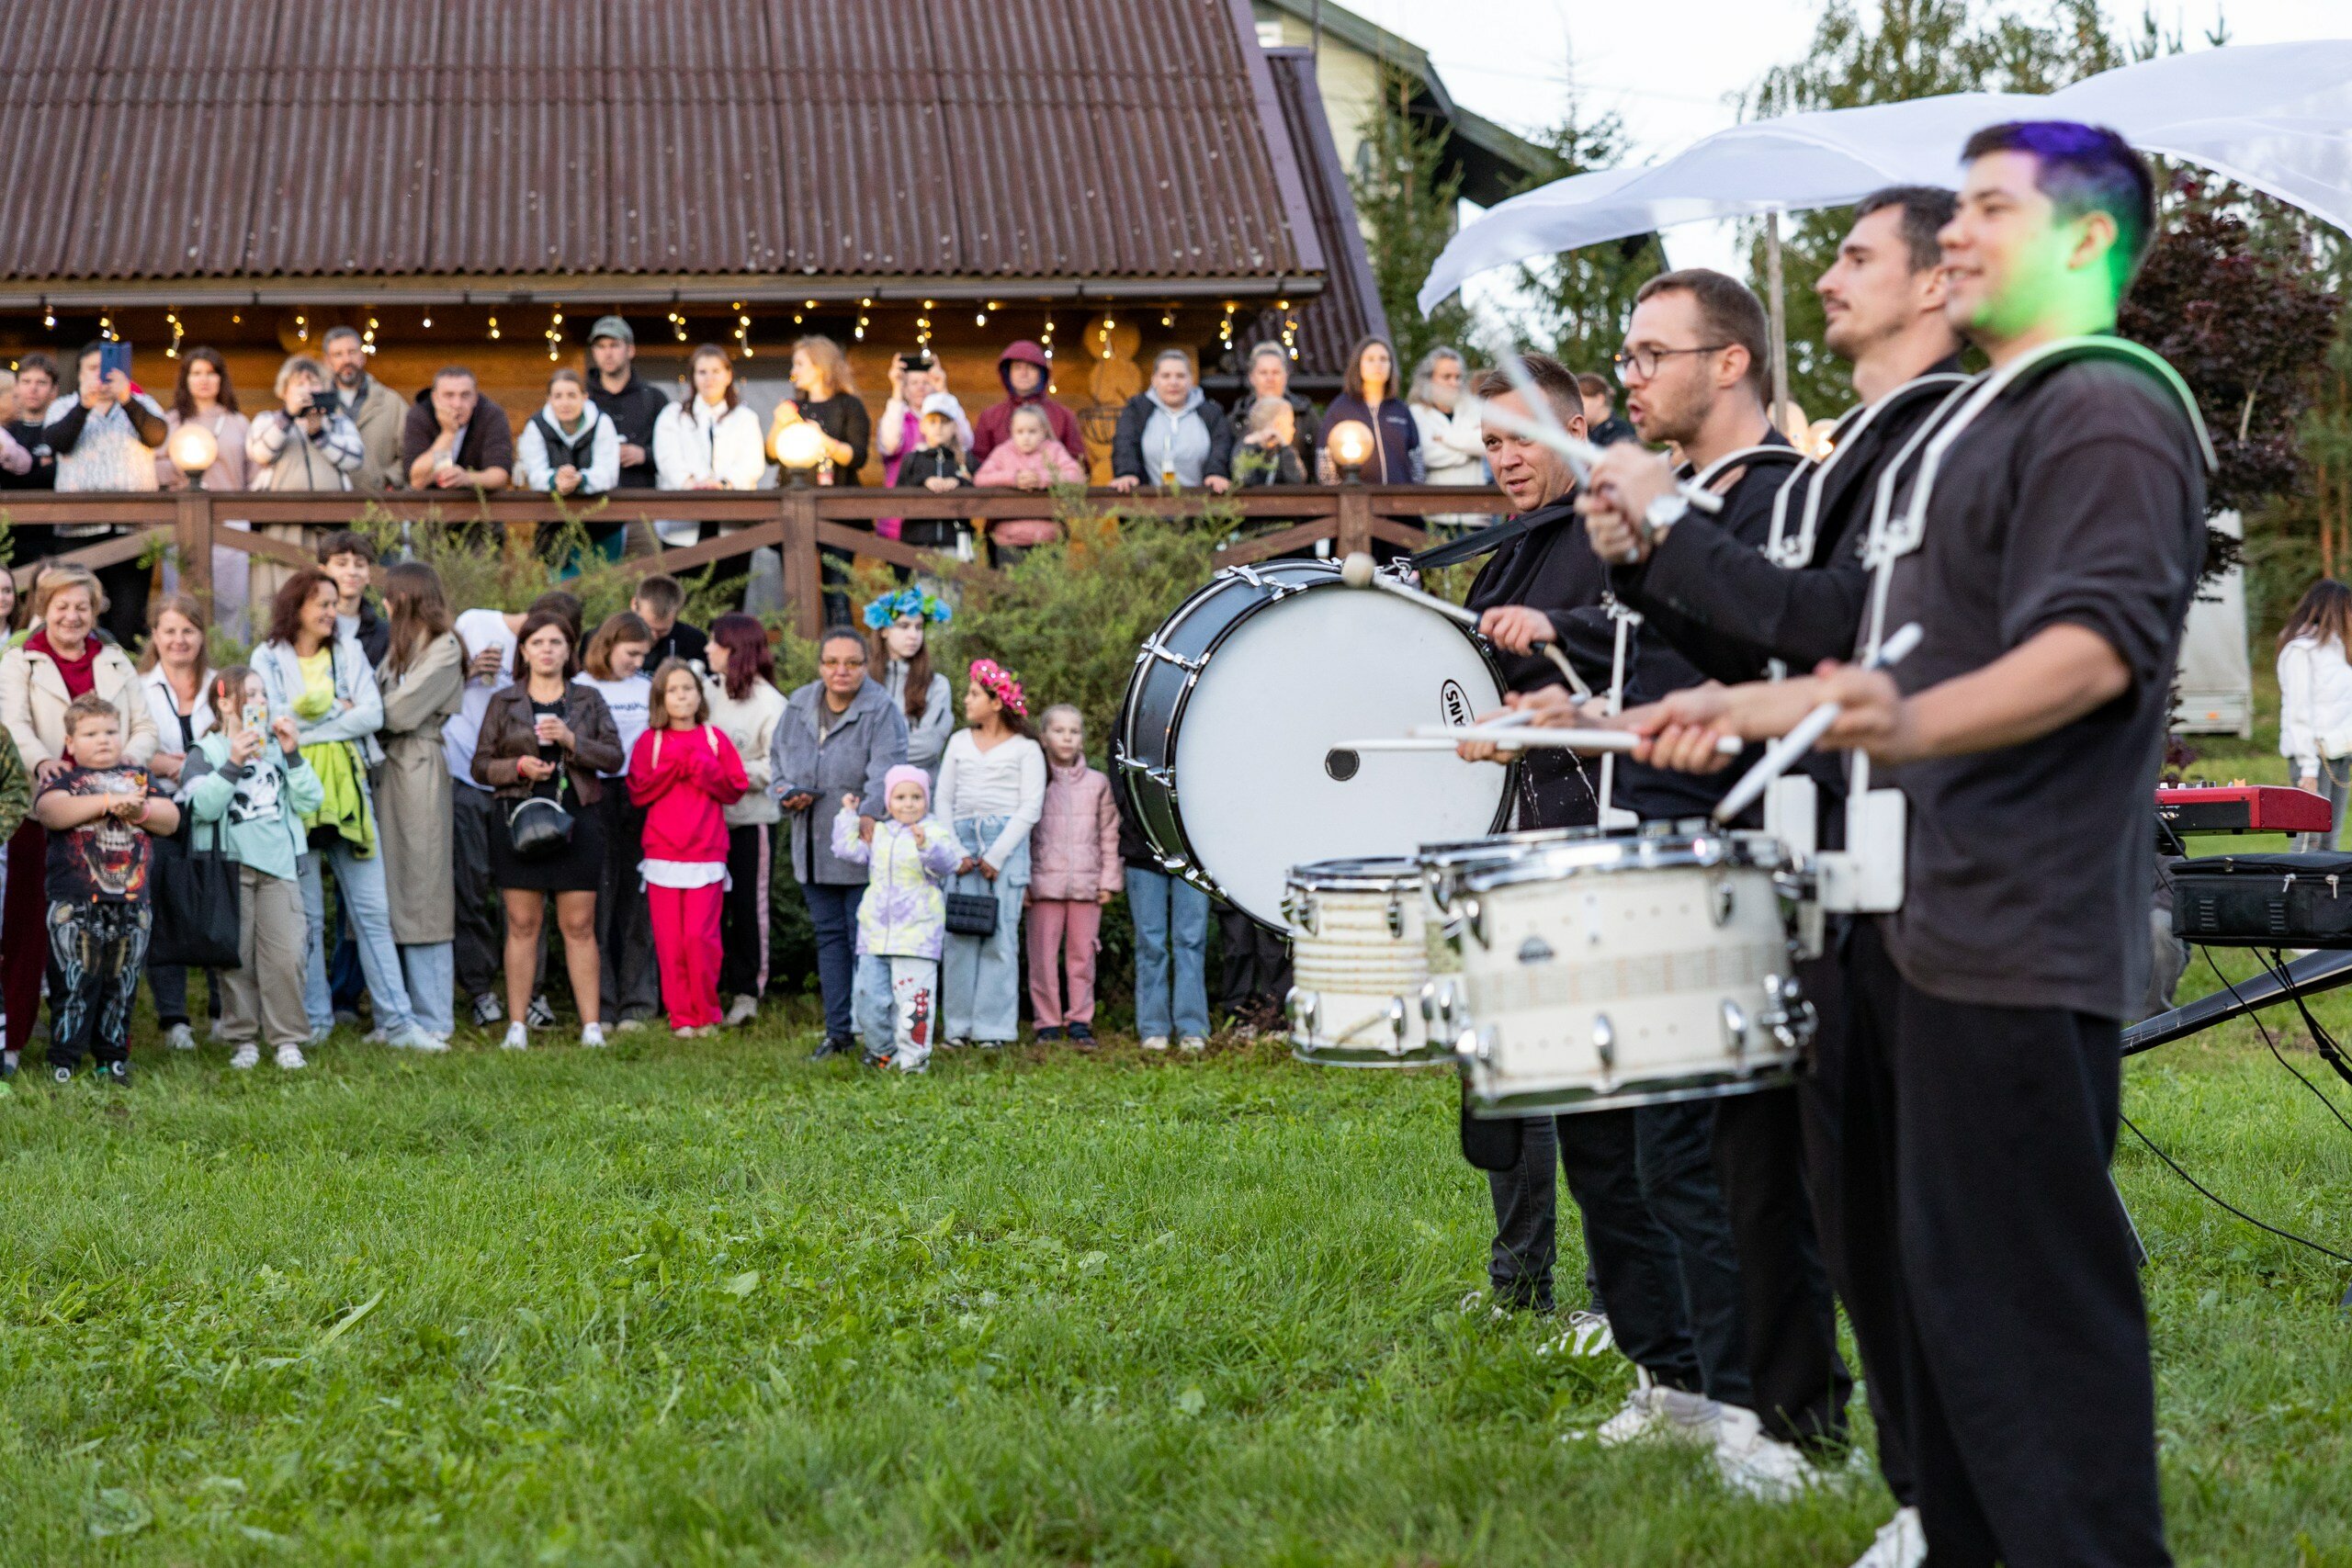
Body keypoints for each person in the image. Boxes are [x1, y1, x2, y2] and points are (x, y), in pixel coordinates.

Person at [1611, 122, 2199, 1567]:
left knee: (2031, 1320)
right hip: (1937, 924)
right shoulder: (1994, 419)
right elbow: (1885, 645)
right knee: (1949, 1297)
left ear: (2085, 244)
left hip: (2019, 925)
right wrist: (1732, 700)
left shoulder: (2105, 407)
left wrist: (1902, 715)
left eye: (1991, 209)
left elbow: (2093, 651)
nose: (1956, 239)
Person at [1542, 188, 1971, 1541]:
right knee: (1716, 1149)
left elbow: (1813, 647)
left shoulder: (1798, 480)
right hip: (1747, 850)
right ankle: (1762, 1401)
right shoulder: (1782, 481)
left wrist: (1666, 556)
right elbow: (1756, 657)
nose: (1630, 378)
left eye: (1653, 353)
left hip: (1834, 861)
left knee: (1783, 1163)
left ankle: (1795, 1413)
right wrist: (1615, 655)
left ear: (1729, 361)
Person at [1430, 357, 1705, 1446]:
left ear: (1577, 426)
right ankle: (1518, 1285)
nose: (1502, 461)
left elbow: (1640, 669)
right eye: (1487, 444)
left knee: (1596, 1080)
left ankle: (1605, 1303)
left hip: (1594, 830)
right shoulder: (1505, 545)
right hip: (1513, 828)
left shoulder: (1600, 533)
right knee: (1506, 1071)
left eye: (1518, 439)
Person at [255, 570, 435, 1051]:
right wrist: (338, 714)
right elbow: (271, 726)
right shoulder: (266, 658)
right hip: (295, 800)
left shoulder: (349, 651)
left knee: (373, 913)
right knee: (308, 917)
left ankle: (398, 1023)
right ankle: (315, 1020)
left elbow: (372, 715)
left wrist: (308, 726)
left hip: (351, 798)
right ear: (297, 606)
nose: (333, 613)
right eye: (323, 603)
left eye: (335, 604)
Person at [0, 566, 158, 1070]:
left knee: (112, 932)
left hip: (112, 819)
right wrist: (41, 761)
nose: (73, 615)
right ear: (43, 608)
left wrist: (125, 766)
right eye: (62, 605)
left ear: (96, 610)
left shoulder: (114, 660)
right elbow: (11, 724)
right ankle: (15, 1040)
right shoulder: (20, 661)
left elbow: (144, 724)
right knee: (28, 929)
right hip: (42, 807)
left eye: (83, 606)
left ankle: (107, 1045)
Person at [472, 611, 623, 1050]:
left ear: (568, 650)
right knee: (521, 923)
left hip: (579, 817)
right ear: (523, 651)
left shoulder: (588, 700)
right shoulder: (503, 702)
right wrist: (517, 767)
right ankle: (517, 1026)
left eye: (556, 643)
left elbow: (614, 758)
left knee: (579, 925)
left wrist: (573, 741)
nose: (547, 650)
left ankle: (591, 1028)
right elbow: (480, 765)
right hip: (518, 815)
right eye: (537, 643)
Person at [773, 628, 908, 1055]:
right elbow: (777, 763)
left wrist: (869, 812)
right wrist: (786, 792)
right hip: (812, 845)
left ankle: (876, 1037)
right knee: (830, 938)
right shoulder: (798, 705)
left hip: (864, 850)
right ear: (820, 666)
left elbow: (888, 771)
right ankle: (838, 1033)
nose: (841, 671)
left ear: (866, 666)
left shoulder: (881, 709)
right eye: (832, 662)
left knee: (865, 943)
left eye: (852, 663)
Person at [32, 694, 179, 1085]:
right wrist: (111, 801)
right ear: (70, 742)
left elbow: (171, 820)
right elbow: (51, 811)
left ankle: (111, 1059)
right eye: (91, 733)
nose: (104, 740)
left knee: (122, 983)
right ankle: (64, 1058)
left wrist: (143, 811)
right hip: (74, 903)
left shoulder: (141, 781)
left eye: (112, 731)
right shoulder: (64, 780)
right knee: (74, 980)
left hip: (133, 904)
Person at [183, 666, 322, 1070]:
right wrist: (232, 763)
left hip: (279, 868)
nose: (262, 702)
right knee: (236, 957)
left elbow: (311, 800)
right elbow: (201, 809)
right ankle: (243, 1038)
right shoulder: (203, 752)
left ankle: (288, 1039)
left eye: (264, 695)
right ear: (225, 702)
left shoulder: (278, 749)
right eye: (253, 694)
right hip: (230, 869)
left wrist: (293, 753)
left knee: (287, 955)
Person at [373, 563, 466, 1047]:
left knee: (423, 887)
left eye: (390, 598)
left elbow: (398, 710)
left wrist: (359, 713)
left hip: (418, 768)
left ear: (406, 598)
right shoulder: (401, 648)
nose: (384, 607)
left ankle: (434, 1017)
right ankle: (396, 1015)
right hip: (389, 768)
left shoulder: (444, 647)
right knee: (388, 890)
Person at [629, 660, 748, 1035]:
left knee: (701, 938)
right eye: (673, 690)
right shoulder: (651, 741)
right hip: (662, 854)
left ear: (700, 695)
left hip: (707, 853)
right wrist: (672, 768)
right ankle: (680, 1016)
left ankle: (706, 1013)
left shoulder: (714, 739)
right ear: (661, 698)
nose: (682, 696)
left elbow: (734, 788)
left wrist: (700, 766)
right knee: (669, 941)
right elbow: (638, 791)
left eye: (688, 688)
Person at [934, 659, 1045, 1048]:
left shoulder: (1026, 750)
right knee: (960, 936)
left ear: (997, 702)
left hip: (1006, 850)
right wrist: (956, 850)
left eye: (974, 694)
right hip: (962, 848)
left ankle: (993, 1029)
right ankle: (958, 1027)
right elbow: (943, 800)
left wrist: (996, 855)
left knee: (999, 939)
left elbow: (1030, 806)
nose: (966, 700)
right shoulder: (959, 744)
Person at [835, 764, 962, 1071]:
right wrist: (847, 817)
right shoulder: (879, 832)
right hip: (875, 932)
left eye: (916, 797)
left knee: (913, 1005)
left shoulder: (934, 831)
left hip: (916, 935)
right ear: (889, 801)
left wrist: (925, 845)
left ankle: (914, 1063)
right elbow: (846, 850)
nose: (908, 803)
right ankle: (883, 1052)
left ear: (926, 800)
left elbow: (948, 863)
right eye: (901, 796)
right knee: (867, 999)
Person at [695, 614, 787, 1027]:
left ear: (734, 650)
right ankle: (702, 989)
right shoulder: (703, 691)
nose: (706, 650)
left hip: (749, 821)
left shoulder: (771, 703)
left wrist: (732, 776)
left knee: (748, 905)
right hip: (701, 822)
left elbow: (778, 765)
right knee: (705, 906)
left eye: (714, 643)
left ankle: (747, 991)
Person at [137, 593, 216, 1054]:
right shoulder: (139, 687)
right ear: (155, 636)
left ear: (202, 635)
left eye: (188, 630)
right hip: (159, 812)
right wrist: (171, 766)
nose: (179, 639)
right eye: (169, 630)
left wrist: (192, 766)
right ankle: (174, 1018)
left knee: (216, 903)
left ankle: (224, 1013)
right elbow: (128, 743)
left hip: (213, 811)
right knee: (162, 909)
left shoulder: (221, 684)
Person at [50, 342, 169, 644]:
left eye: (106, 370)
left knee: (128, 619)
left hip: (133, 531)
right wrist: (84, 405)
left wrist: (127, 399)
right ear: (78, 375)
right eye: (92, 369)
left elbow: (156, 435)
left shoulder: (143, 403)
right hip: (77, 531)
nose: (100, 376)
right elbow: (58, 441)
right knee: (80, 614)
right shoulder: (64, 406)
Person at [577, 612, 662, 1031]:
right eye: (631, 653)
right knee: (597, 903)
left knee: (637, 900)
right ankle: (601, 1002)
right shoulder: (580, 688)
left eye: (643, 655)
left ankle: (638, 1002)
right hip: (594, 795)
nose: (636, 662)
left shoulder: (647, 689)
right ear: (607, 645)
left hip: (639, 795)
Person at [1025, 705, 1118, 1048]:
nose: (1067, 737)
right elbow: (1026, 833)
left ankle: (1080, 1020)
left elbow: (1109, 834)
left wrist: (1108, 880)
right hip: (1042, 886)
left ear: (1082, 739)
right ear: (1044, 736)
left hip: (1086, 886)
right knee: (1042, 958)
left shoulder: (1097, 784)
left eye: (1074, 731)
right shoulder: (1035, 781)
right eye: (1059, 730)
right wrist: (1023, 881)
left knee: (1082, 957)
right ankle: (1046, 1023)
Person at [155, 348, 256, 634]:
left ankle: (232, 663)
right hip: (183, 522)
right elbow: (154, 470)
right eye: (196, 373)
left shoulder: (238, 423)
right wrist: (183, 467)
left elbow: (252, 474)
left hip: (231, 522)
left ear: (221, 379)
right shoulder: (172, 422)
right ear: (185, 379)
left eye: (211, 373)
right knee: (184, 601)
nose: (204, 380)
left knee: (232, 602)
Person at [1115, 771, 1207, 1054]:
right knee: (1150, 943)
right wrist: (1145, 827)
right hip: (1142, 852)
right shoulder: (1126, 724)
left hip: (1193, 852)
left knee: (1190, 941)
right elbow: (1122, 788)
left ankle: (1192, 1028)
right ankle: (1154, 1028)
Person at [651, 344, 765, 547]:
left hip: (733, 525)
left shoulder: (745, 418)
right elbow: (667, 459)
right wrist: (692, 484)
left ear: (728, 375)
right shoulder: (673, 415)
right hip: (682, 526)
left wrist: (723, 485)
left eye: (716, 371)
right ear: (693, 377)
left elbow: (752, 463)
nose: (709, 378)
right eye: (702, 372)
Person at [2278, 580, 2352, 852]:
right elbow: (2298, 711)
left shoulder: (2339, 648)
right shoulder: (2301, 651)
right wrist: (2308, 770)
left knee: (2331, 841)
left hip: (2340, 755)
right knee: (2309, 841)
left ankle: (2328, 896)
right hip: (2313, 758)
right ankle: (2297, 895)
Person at [974, 404, 1086, 567]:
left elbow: (1076, 476)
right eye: (1020, 432)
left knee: (1046, 591)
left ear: (1044, 431)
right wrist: (1014, 478)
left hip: (1048, 537)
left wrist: (1042, 478)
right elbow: (980, 478)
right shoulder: (1003, 452)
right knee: (1008, 590)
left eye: (1032, 431)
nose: (1026, 437)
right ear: (1012, 432)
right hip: (1008, 539)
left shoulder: (1054, 450)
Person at [1110, 351, 1233, 495]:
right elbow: (1125, 443)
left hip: (1202, 506)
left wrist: (1217, 473)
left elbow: (1222, 445)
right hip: (1148, 506)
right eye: (1166, 376)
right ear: (1154, 380)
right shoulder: (1137, 410)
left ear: (1191, 380)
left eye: (1180, 376)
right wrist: (1127, 472)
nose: (1173, 382)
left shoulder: (1212, 412)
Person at [865, 589, 955, 775]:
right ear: (884, 630)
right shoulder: (864, 682)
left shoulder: (937, 685)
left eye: (919, 627)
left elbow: (929, 747)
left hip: (917, 793)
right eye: (904, 626)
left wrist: (872, 752)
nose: (914, 635)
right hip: (870, 790)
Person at [247, 355, 366, 491]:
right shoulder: (267, 420)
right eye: (300, 384)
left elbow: (355, 459)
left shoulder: (338, 422)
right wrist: (288, 416)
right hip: (280, 509)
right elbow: (260, 454)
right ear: (285, 391)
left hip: (332, 508)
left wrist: (319, 436)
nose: (308, 390)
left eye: (314, 384)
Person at [1317, 335, 1420, 484]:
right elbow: (1324, 459)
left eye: (1384, 359)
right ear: (1359, 364)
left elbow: (1416, 459)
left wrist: (1413, 494)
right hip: (1357, 501)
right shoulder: (1340, 409)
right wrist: (1339, 495)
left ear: (1391, 365)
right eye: (1370, 359)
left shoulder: (1401, 411)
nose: (1378, 365)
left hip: (1399, 500)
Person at [585, 317, 669, 491]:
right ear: (593, 352)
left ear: (630, 350)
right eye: (601, 346)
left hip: (642, 502)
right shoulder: (583, 399)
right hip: (590, 504)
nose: (607, 353)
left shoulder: (654, 398)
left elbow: (675, 453)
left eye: (614, 345)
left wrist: (644, 455)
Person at [969, 339, 1083, 467]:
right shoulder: (990, 416)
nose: (1024, 374)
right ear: (1008, 373)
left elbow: (1078, 464)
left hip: (1051, 485)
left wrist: (1045, 478)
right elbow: (979, 463)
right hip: (1000, 485)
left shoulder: (1063, 416)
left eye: (1031, 367)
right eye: (1017, 367)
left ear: (1042, 373)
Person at [1409, 346, 1487, 530]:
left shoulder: (1476, 408)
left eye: (1458, 377)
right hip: (1436, 517)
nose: (1454, 383)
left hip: (1477, 516)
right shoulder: (1415, 414)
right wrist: (1469, 451)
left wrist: (1444, 438)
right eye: (1446, 377)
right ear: (1429, 379)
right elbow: (1427, 455)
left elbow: (1486, 444)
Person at [321, 327, 408, 491]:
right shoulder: (317, 404)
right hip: (328, 503)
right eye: (338, 354)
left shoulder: (391, 402)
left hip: (377, 504)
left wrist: (389, 478)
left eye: (352, 352)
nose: (347, 359)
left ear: (362, 357)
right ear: (328, 362)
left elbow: (411, 450)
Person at [401, 367, 514, 492]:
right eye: (449, 395)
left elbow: (499, 475)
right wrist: (448, 433)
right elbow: (417, 481)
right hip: (428, 504)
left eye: (465, 395)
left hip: (477, 503)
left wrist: (467, 478)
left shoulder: (491, 414)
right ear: (434, 398)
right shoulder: (420, 414)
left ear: (475, 398)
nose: (457, 404)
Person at [892, 392, 975, 562]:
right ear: (923, 426)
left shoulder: (965, 459)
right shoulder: (912, 459)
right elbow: (899, 493)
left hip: (955, 541)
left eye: (945, 422)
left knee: (954, 588)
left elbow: (979, 488)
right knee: (925, 588)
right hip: (919, 540)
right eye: (932, 421)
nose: (938, 427)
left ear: (954, 427)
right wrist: (924, 482)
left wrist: (958, 482)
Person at [518, 367, 622, 497]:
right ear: (549, 399)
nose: (565, 403)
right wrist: (556, 479)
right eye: (558, 396)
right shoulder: (536, 425)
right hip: (551, 510)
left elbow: (608, 474)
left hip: (598, 509)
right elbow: (534, 474)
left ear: (584, 397)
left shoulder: (602, 422)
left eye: (572, 395)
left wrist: (579, 479)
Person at [317, 530, 390, 666]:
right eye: (341, 564)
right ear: (323, 572)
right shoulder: (308, 628)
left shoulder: (383, 634)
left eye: (359, 565)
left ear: (369, 574)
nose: (352, 572)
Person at [1, 353, 68, 492]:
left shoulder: (62, 431)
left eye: (41, 382)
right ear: (16, 387)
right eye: (26, 381)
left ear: (54, 390)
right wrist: (40, 465)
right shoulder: (5, 431)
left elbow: (61, 474)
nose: (33, 389)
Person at [631, 574, 708, 671]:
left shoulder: (693, 641)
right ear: (634, 605)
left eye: (661, 631)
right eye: (646, 627)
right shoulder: (615, 639)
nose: (653, 635)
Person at [1229, 397, 1306, 487]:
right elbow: (1243, 479)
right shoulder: (1246, 447)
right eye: (1290, 424)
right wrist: (1249, 444)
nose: (1293, 430)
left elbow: (1298, 480)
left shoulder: (1285, 453)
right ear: (1277, 425)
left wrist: (1286, 447)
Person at [1577, 373, 1640, 446]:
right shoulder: (1589, 431)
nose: (1576, 408)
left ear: (1599, 399)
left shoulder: (1620, 432)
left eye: (1580, 402)